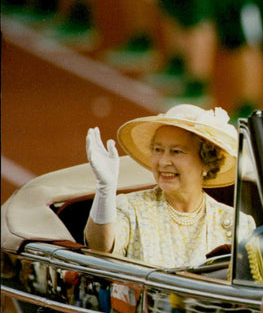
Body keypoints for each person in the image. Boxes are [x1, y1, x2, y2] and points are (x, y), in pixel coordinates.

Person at [84, 104, 242, 268]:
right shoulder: (131, 208)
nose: (163, 161)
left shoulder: (234, 221)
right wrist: (105, 189)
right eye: (158, 150)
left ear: (206, 161)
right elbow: (99, 248)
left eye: (176, 151)